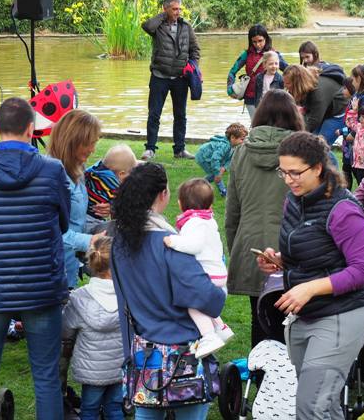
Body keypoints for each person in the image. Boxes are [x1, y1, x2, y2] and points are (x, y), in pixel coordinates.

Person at [0, 97, 71, 419]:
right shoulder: (52, 171)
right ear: (30, 129)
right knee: (46, 377)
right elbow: (62, 222)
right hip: (41, 286)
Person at [257, 131, 364, 419]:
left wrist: (309, 288)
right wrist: (280, 261)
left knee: (311, 407)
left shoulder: (344, 209)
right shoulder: (294, 200)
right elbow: (314, 253)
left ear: (318, 168)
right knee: (323, 405)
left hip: (340, 316)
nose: (288, 179)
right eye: (283, 172)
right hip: (303, 316)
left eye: (296, 172)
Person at [111, 162, 226, 420]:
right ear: (163, 194)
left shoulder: (118, 242)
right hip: (185, 354)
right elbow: (209, 299)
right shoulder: (170, 244)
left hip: (144, 353)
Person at [225, 89, 305, 347]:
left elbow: (232, 211)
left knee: (261, 318)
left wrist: (236, 245)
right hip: (292, 246)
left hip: (253, 243)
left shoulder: (241, 153)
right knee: (294, 319)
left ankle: (264, 382)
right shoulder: (304, 151)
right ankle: (285, 381)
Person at [163, 178, 234, 358]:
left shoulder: (194, 222)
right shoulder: (207, 220)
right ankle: (220, 327)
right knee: (205, 304)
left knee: (194, 304)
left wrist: (173, 241)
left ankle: (209, 336)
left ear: (180, 204)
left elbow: (193, 245)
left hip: (207, 273)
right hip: (218, 272)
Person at [61, 236, 123, 420]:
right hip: (120, 367)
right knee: (115, 409)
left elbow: (66, 331)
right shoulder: (127, 294)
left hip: (91, 370)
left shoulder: (79, 298)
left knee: (89, 410)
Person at [48, 109, 104, 288]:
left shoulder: (77, 169)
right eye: (89, 144)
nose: (93, 150)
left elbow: (74, 219)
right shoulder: (52, 176)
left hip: (69, 266)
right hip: (52, 272)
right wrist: (90, 241)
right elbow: (51, 231)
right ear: (72, 141)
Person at [140, 0, 200, 161]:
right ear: (165, 9)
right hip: (159, 76)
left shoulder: (186, 27)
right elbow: (146, 26)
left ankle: (179, 150)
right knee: (154, 114)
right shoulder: (157, 26)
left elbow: (195, 49)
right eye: (174, 9)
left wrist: (193, 65)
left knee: (180, 115)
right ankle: (150, 149)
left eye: (179, 9)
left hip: (180, 78)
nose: (177, 12)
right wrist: (163, 15)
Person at [227, 24, 288, 117]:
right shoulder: (246, 54)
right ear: (250, 41)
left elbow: (289, 70)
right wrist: (230, 88)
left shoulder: (274, 54)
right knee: (256, 125)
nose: (258, 44)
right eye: (254, 42)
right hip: (250, 97)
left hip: (271, 98)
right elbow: (232, 72)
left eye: (260, 41)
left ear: (266, 39)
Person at [283, 63, 348, 145]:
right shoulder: (302, 87)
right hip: (323, 111)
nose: (285, 86)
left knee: (319, 145)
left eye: (288, 83)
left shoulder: (317, 92)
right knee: (311, 140)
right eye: (284, 82)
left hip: (338, 113)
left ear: (298, 83)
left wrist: (295, 136)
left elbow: (313, 121)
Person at [84, 143, 138, 220]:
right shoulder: (112, 185)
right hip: (92, 220)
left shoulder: (94, 171)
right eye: (130, 175)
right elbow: (126, 205)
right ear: (121, 174)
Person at [193, 122, 248, 197]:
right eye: (242, 139)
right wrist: (217, 173)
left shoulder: (234, 146)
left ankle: (202, 185)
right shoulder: (224, 146)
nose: (244, 141)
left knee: (217, 173)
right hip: (203, 156)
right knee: (214, 174)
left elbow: (230, 159)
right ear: (232, 137)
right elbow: (215, 158)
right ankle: (221, 191)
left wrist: (224, 168)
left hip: (212, 157)